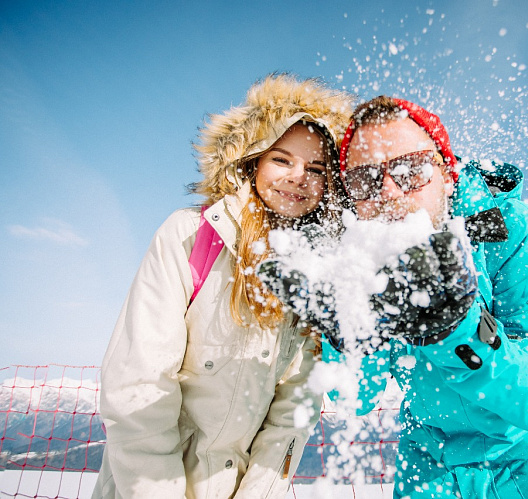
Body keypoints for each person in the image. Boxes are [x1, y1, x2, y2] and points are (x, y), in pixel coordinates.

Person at [335, 96, 528, 497]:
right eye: (364, 180)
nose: (389, 192)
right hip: (431, 469)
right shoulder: (363, 260)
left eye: (411, 169)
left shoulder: (513, 230)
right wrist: (340, 335)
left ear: (447, 175)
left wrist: (459, 331)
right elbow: (356, 397)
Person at [93, 74, 354, 498]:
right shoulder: (190, 238)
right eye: (282, 160)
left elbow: (292, 414)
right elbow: (139, 387)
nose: (299, 177)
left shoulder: (316, 278)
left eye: (317, 168)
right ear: (252, 161)